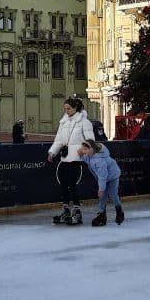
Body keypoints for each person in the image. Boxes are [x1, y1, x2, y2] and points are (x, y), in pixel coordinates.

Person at [47, 96, 94, 225]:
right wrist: (52, 152)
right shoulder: (64, 122)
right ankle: (66, 209)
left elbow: (90, 139)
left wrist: (84, 148)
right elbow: (59, 140)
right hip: (65, 157)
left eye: (68, 108)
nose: (66, 111)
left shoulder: (84, 122)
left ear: (75, 108)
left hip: (76, 158)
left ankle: (77, 211)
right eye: (65, 108)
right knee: (63, 183)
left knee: (72, 184)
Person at [78, 138, 124, 226]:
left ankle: (119, 211)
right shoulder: (90, 155)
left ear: (91, 149)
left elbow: (103, 176)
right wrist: (80, 155)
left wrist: (101, 189)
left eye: (85, 149)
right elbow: (87, 159)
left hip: (112, 176)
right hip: (103, 178)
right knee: (102, 197)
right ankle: (102, 215)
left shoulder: (100, 161)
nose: (83, 151)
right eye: (83, 149)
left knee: (112, 193)